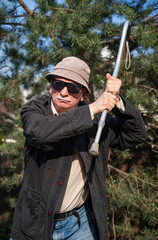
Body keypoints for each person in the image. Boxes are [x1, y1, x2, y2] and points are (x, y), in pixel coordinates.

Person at [10, 56, 147, 240]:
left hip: (80, 224)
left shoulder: (98, 121)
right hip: (37, 223)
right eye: (58, 84)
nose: (64, 92)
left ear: (82, 93)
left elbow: (135, 135)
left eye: (73, 88)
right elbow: (40, 133)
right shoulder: (34, 110)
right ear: (51, 86)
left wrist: (118, 100)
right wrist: (92, 109)